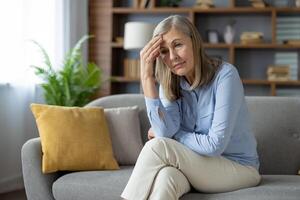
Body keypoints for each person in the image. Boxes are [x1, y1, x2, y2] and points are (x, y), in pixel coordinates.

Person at [121, 15, 261, 200]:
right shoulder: (170, 82)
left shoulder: (225, 76)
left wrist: (174, 134)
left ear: (194, 41)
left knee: (156, 147)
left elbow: (214, 145)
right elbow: (164, 132)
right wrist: (147, 78)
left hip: (239, 168)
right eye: (163, 51)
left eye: (178, 45)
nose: (173, 57)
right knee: (166, 178)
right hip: (196, 165)